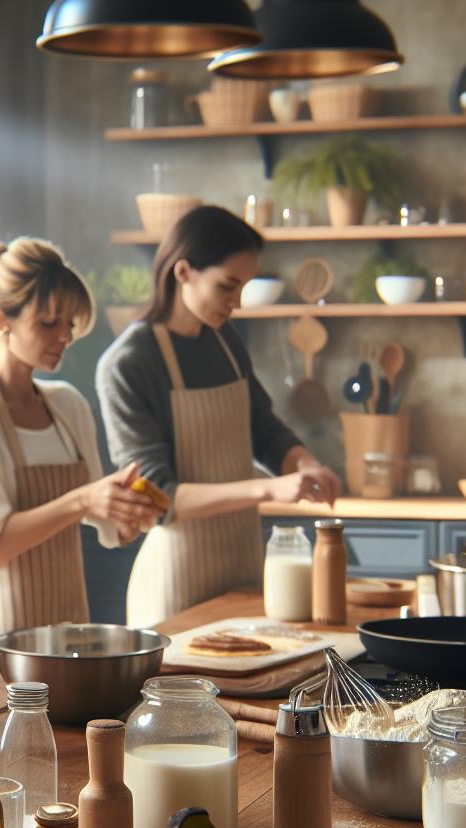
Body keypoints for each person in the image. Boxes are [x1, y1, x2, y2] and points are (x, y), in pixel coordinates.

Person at [96, 206, 340, 626]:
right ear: (184, 271)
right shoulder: (128, 363)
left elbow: (262, 427)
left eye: (243, 287)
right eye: (227, 286)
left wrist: (305, 463)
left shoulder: (225, 342)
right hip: (177, 581)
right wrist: (267, 490)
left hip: (241, 567)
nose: (237, 303)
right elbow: (158, 495)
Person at [0, 238, 160, 671]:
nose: (65, 336)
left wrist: (129, 511)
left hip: (71, 635)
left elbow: (107, 528)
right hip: (1, 643)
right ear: (2, 319)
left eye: (70, 323)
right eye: (48, 324)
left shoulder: (68, 405)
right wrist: (82, 500)